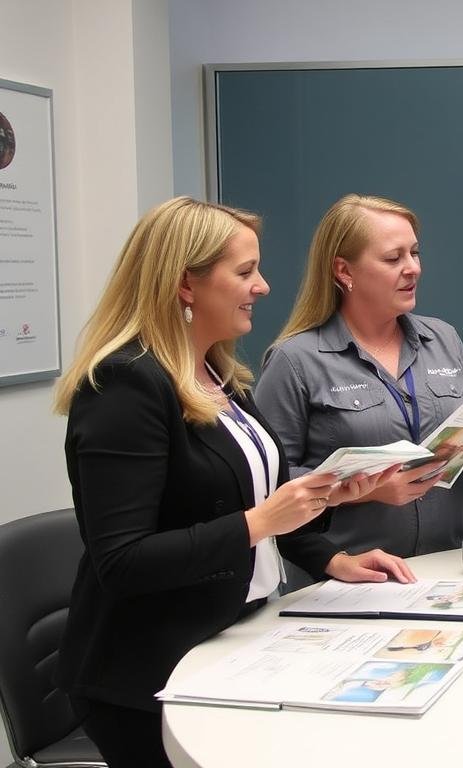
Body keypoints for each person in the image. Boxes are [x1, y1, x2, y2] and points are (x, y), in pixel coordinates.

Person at [53, 197, 412, 767]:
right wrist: (261, 520)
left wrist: (328, 555)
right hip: (148, 677)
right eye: (245, 272)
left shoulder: (219, 374)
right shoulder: (124, 385)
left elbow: (247, 502)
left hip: (234, 641)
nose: (264, 286)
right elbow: (121, 561)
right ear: (185, 285)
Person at [256, 194, 463, 558]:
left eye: (415, 253)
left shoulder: (443, 338)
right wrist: (367, 489)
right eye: (393, 258)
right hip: (346, 582)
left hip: (445, 569)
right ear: (344, 271)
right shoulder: (295, 360)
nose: (413, 268)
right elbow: (269, 487)